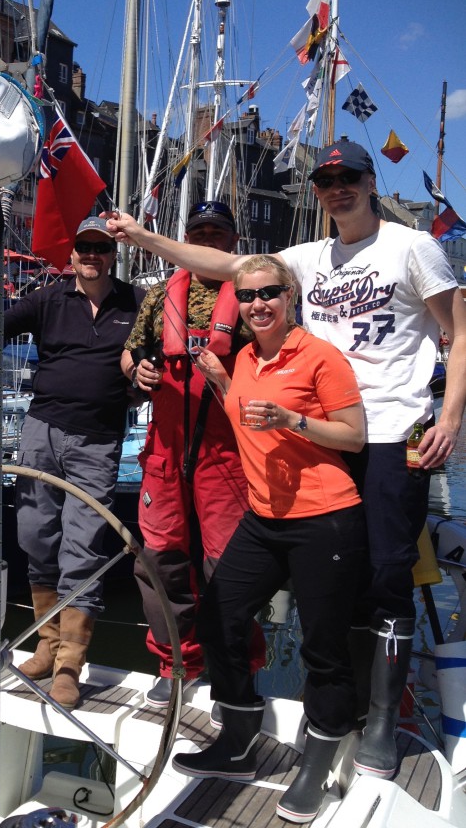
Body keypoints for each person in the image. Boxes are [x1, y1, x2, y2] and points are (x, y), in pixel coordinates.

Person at [106, 137, 466, 779]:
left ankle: (378, 720)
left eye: (348, 176)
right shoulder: (304, 257)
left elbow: (459, 330)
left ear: (369, 178)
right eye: (326, 181)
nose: (337, 189)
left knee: (386, 576)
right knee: (326, 592)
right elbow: (218, 262)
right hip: (316, 435)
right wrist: (142, 238)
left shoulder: (413, 246)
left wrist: (453, 415)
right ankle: (312, 718)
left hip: (387, 430)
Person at [172, 255, 367, 824]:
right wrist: (223, 382)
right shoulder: (245, 359)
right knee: (218, 618)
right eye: (249, 295)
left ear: (291, 296)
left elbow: (353, 437)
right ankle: (237, 741)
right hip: (264, 519)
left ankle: (317, 763)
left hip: (324, 518)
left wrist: (292, 419)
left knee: (323, 649)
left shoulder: (319, 357)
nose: (258, 304)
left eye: (270, 293)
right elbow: (244, 417)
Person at [0, 217, 145, 709]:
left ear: (112, 253)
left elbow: (160, 347)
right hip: (41, 433)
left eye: (100, 248)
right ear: (70, 254)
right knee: (33, 535)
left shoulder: (135, 304)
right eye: (83, 247)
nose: (91, 255)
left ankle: (70, 661)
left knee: (84, 548)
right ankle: (47, 646)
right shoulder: (50, 300)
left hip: (98, 441)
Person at [121, 201, 263, 708]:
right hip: (165, 447)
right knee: (158, 562)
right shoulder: (161, 296)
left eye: (216, 233)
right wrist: (137, 369)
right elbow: (130, 350)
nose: (207, 240)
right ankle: (177, 661)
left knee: (229, 566)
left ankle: (237, 668)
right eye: (198, 232)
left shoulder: (254, 296)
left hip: (227, 451)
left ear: (232, 239)